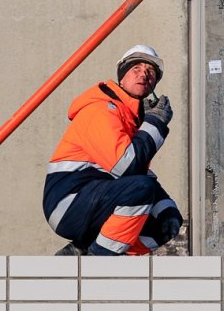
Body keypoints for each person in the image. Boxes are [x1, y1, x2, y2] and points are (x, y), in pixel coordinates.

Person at [43, 44, 184, 255]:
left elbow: (137, 174)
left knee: (167, 222)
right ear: (122, 77)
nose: (144, 75)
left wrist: (167, 211)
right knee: (140, 190)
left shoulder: (129, 120)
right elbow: (125, 167)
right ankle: (99, 259)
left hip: (94, 197)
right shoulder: (101, 109)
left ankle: (84, 249)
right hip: (68, 201)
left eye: (151, 72)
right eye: (136, 68)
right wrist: (155, 123)